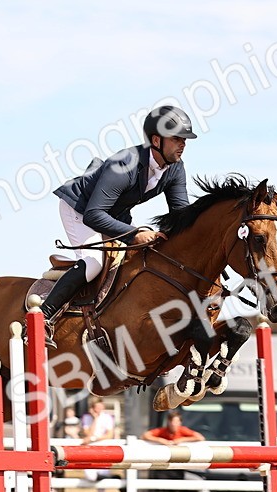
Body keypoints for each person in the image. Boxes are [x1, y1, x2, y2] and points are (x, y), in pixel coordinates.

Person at [42, 105, 198, 342]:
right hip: (80, 209)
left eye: (184, 139)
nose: (183, 144)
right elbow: (93, 215)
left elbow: (181, 215)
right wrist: (134, 234)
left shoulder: (175, 169)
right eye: (176, 138)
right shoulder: (125, 163)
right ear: (156, 140)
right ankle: (43, 316)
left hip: (113, 215)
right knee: (94, 263)